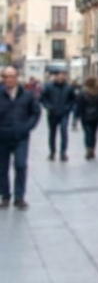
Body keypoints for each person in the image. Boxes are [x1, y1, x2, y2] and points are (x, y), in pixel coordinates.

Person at [1, 67, 42, 209]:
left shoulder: (27, 95)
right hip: (2, 138)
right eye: (6, 77)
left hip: (21, 137)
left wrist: (27, 127)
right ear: (3, 78)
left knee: (20, 165)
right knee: (2, 169)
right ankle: (5, 196)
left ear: (17, 78)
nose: (9, 79)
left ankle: (19, 197)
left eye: (12, 76)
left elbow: (36, 113)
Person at [39, 71, 77, 162]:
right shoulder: (48, 86)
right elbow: (42, 98)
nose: (61, 78)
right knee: (52, 133)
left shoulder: (68, 87)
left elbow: (73, 99)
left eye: (62, 76)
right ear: (55, 77)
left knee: (64, 131)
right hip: (52, 113)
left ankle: (63, 152)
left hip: (64, 113)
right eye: (59, 76)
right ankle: (52, 152)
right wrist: (48, 106)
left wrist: (68, 108)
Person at [74, 77, 98, 160]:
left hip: (85, 117)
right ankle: (92, 149)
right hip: (97, 117)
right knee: (94, 134)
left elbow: (79, 106)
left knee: (87, 134)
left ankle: (88, 149)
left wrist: (76, 117)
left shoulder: (83, 93)